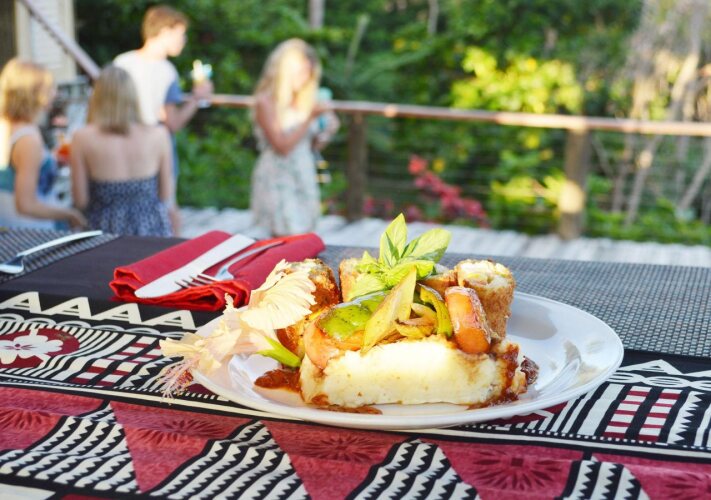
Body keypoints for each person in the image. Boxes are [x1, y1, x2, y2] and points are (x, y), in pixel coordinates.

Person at [114, 4, 213, 234]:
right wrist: (197, 98)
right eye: (180, 33)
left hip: (121, 145)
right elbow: (173, 122)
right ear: (166, 31)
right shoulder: (166, 71)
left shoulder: (122, 62)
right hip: (156, 147)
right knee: (167, 208)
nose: (183, 40)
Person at [70, 65, 174, 237]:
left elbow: (81, 200)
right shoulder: (159, 134)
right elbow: (165, 194)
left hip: (105, 230)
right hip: (152, 229)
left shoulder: (82, 137)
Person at [250, 38, 335, 237]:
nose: (305, 78)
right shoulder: (266, 102)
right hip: (278, 176)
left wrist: (327, 131)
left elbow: (313, 145)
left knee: (305, 234)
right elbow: (282, 146)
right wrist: (309, 118)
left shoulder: (306, 100)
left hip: (304, 171)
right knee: (283, 234)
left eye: (309, 72)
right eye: (300, 71)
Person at [0, 58, 85, 230]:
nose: (54, 94)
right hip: (31, 231)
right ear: (33, 93)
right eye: (49, 88)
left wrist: (48, 159)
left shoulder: (8, 126)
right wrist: (70, 214)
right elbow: (26, 204)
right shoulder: (28, 139)